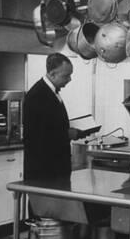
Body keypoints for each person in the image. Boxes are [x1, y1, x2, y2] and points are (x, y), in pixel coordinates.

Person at [23, 53, 86, 181]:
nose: (69, 79)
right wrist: (67, 134)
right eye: (66, 76)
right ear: (52, 74)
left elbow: (50, 124)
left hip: (55, 168)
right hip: (44, 171)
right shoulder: (37, 95)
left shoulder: (50, 92)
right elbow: (37, 136)